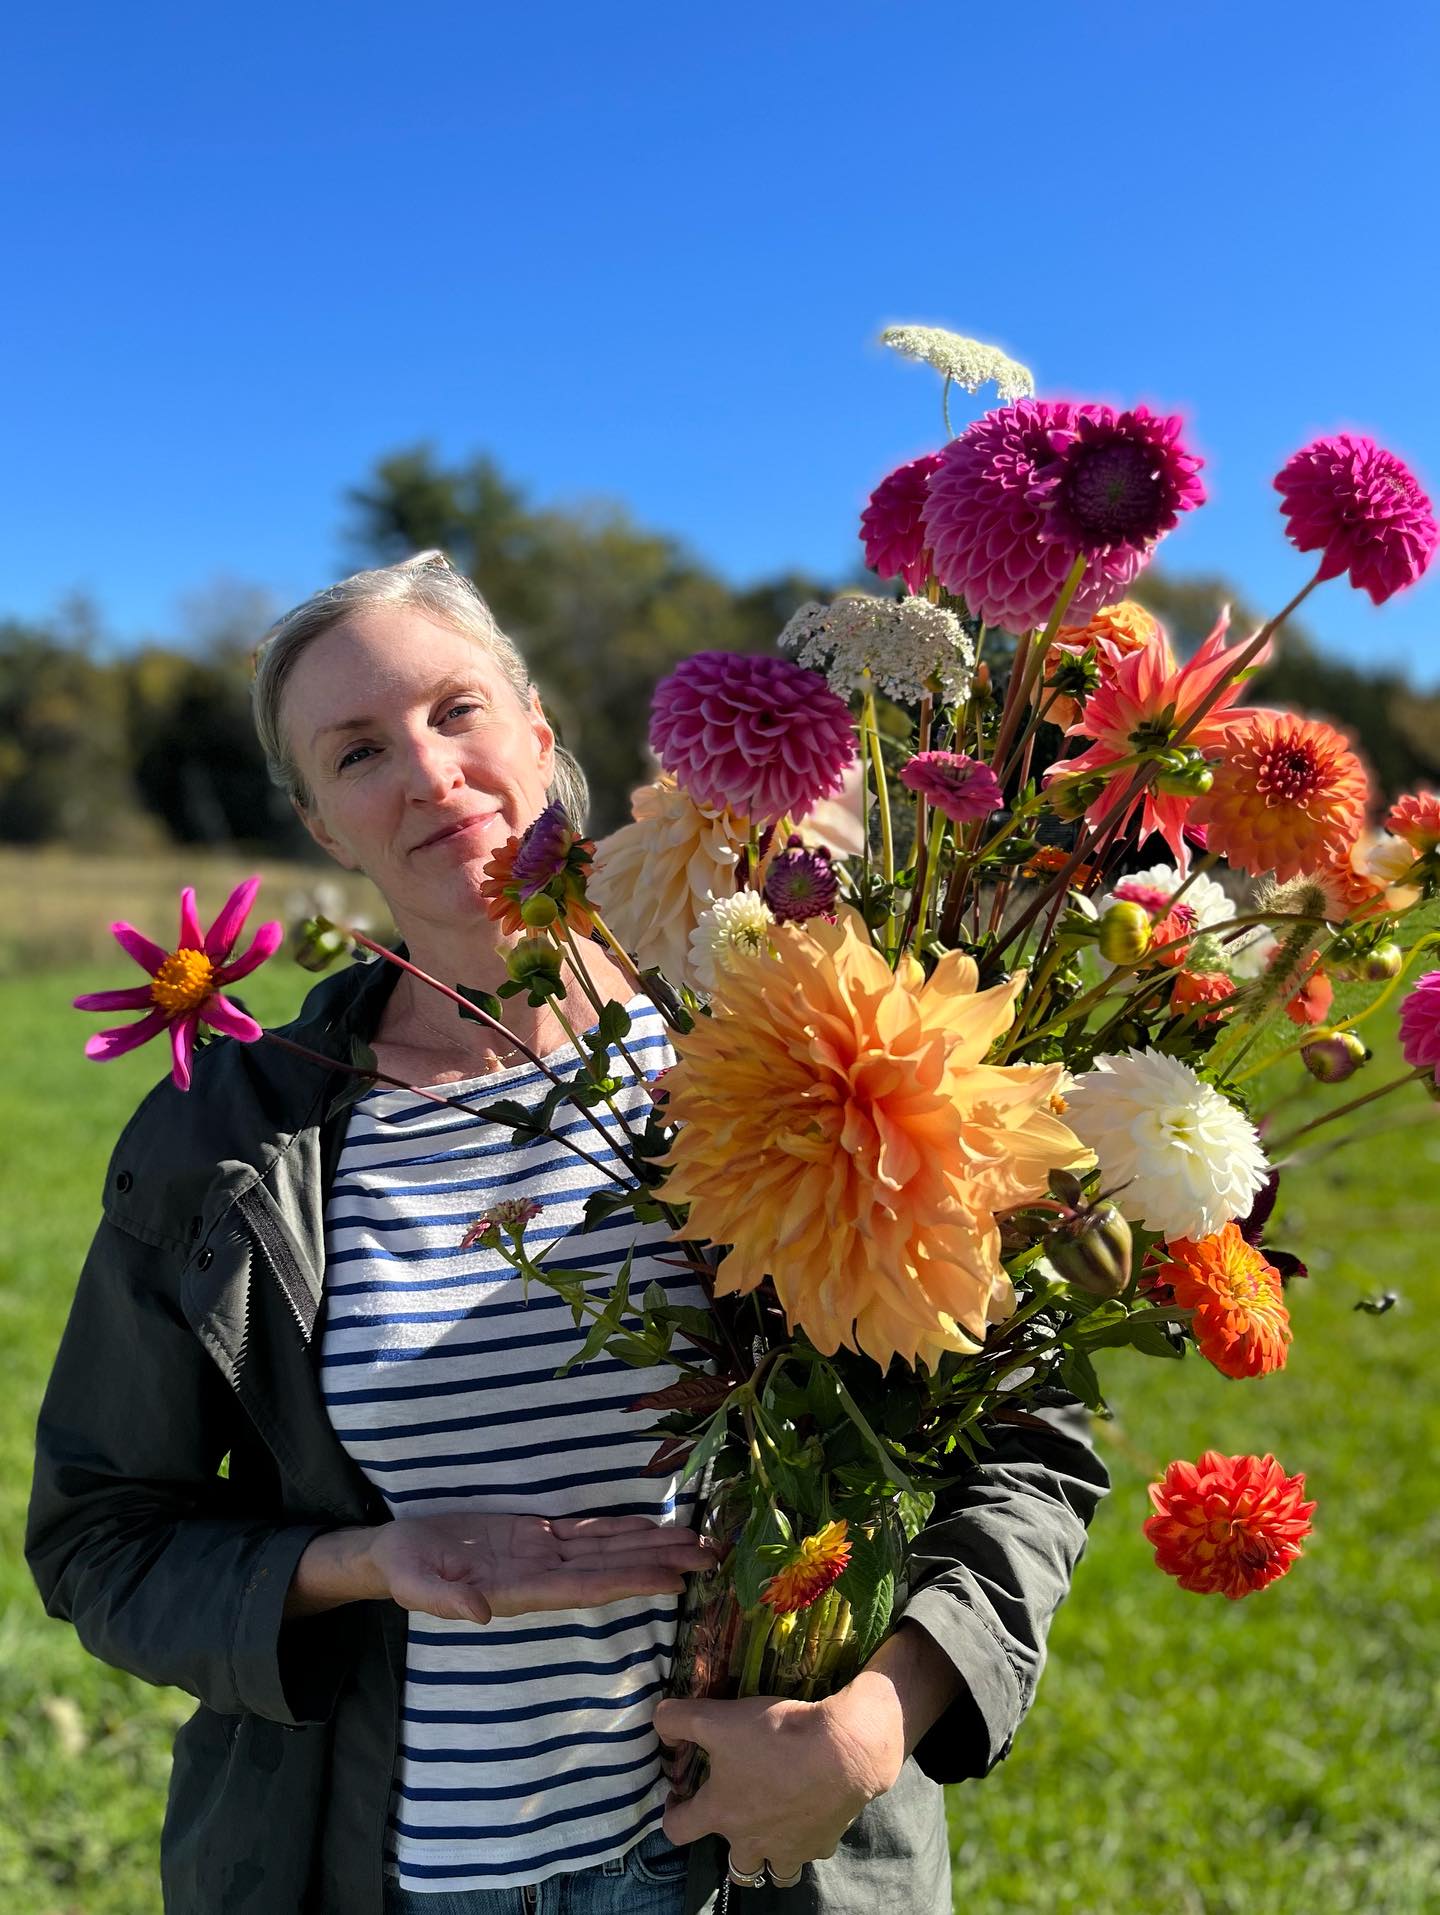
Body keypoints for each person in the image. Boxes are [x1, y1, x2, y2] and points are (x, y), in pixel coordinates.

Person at [27, 553, 1110, 1915]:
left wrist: (876, 1725)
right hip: (405, 1879)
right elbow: (104, 1539)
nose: (427, 772)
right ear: (319, 821)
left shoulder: (787, 1024)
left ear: (539, 731)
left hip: (762, 1867)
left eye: (455, 711)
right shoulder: (229, 1144)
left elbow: (1025, 1448)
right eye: (360, 750)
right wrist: (363, 1565)